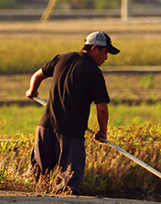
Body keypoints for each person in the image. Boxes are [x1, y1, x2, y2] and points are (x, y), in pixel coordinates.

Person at [24, 31, 119, 194]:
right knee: (67, 182)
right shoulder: (93, 72)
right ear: (94, 49)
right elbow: (102, 108)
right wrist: (102, 131)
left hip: (45, 127)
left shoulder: (62, 58)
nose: (106, 58)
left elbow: (37, 75)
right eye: (105, 53)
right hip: (71, 133)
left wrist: (32, 91)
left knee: (37, 176)